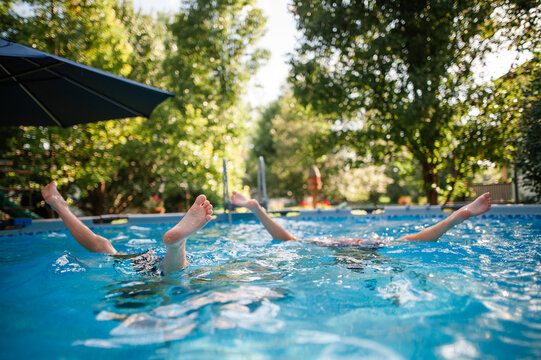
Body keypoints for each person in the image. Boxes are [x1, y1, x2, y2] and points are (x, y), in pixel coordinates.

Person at [41, 182, 213, 275]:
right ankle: (177, 246)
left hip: (135, 265)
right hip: (150, 263)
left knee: (103, 246)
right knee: (174, 275)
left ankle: (59, 205)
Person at [230, 191, 492, 245]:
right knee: (409, 240)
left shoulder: (333, 250)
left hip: (338, 247)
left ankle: (257, 210)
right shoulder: (367, 250)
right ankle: (454, 218)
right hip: (365, 248)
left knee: (292, 240)